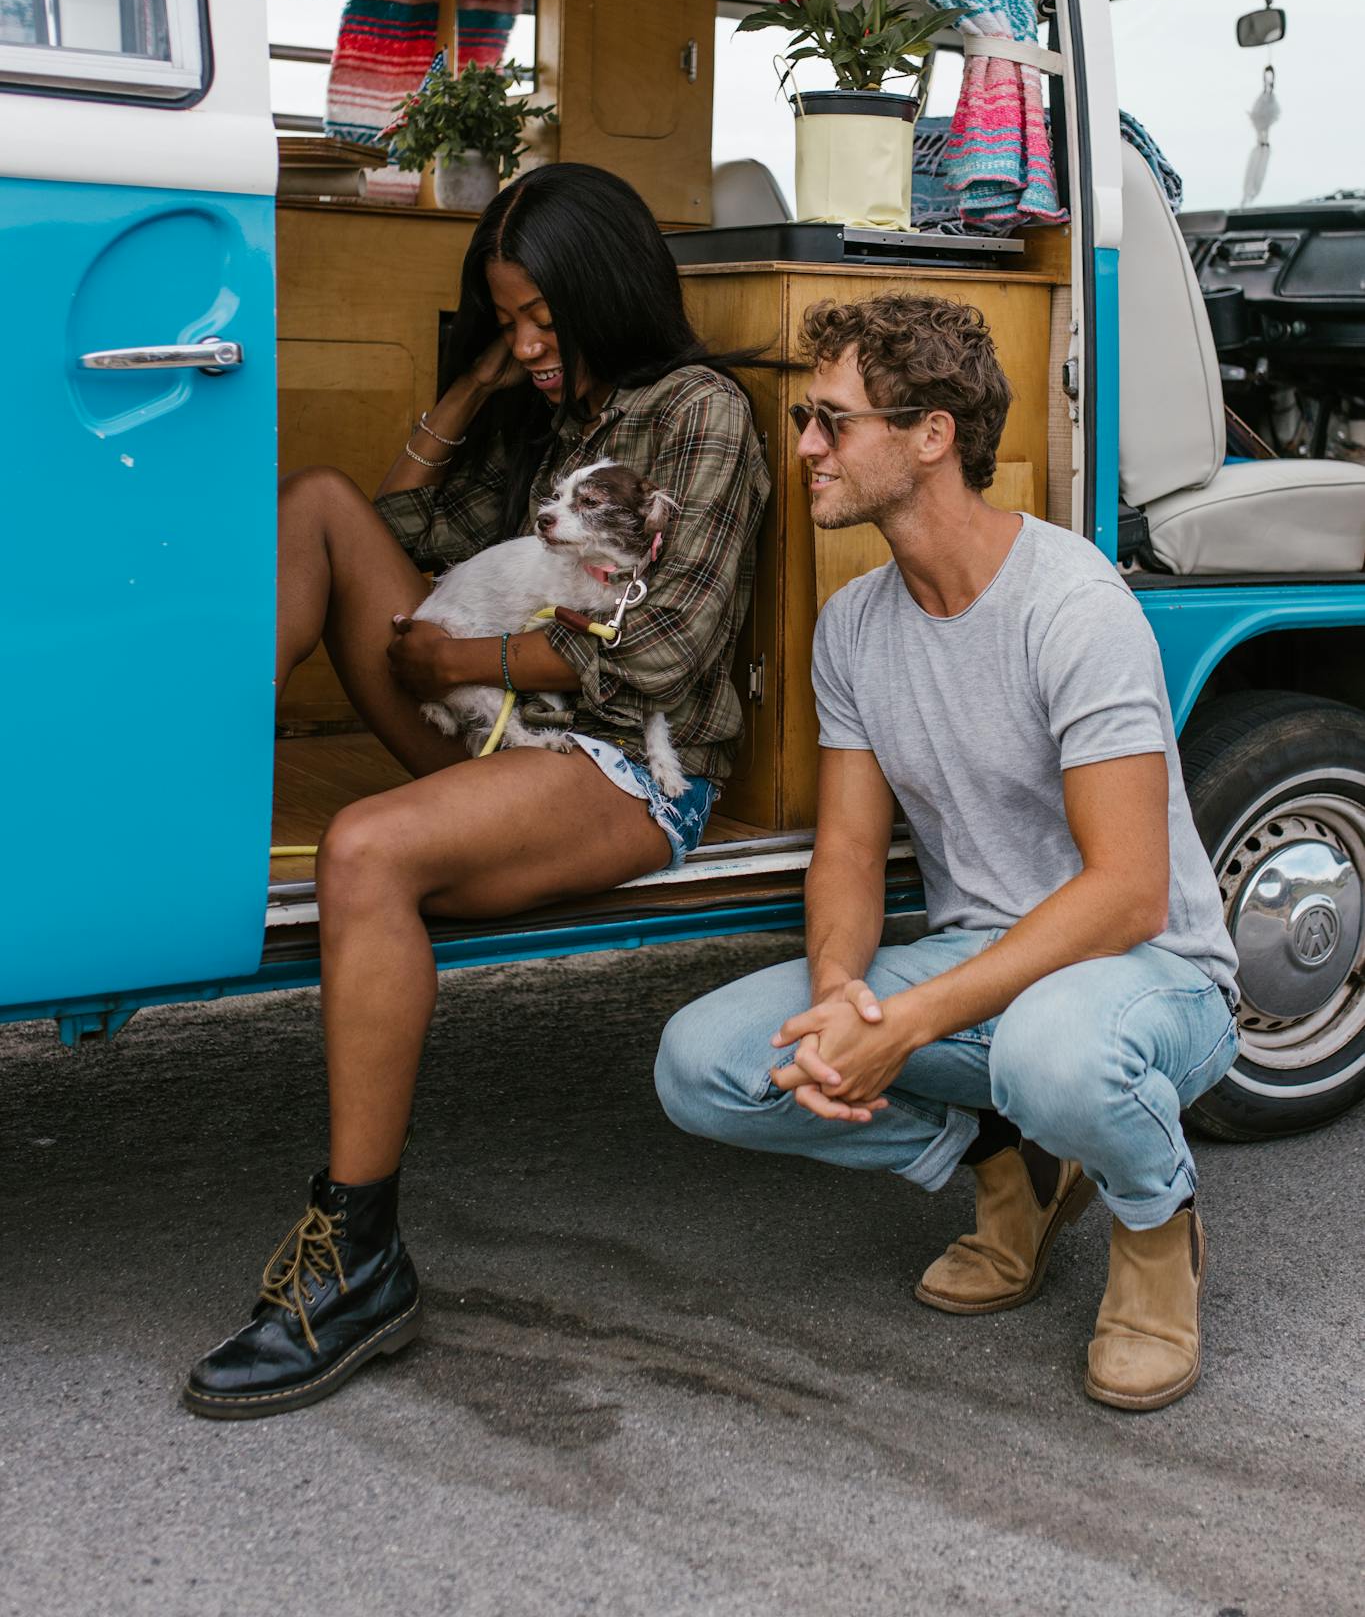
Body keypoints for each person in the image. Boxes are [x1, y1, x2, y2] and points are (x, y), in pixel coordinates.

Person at [184, 163, 770, 1419]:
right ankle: (182, 762)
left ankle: (359, 1260)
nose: (529, 342)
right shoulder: (557, 409)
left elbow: (665, 651)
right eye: (509, 318)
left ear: (608, 290)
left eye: (544, 319)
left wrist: (468, 658)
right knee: (325, 507)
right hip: (499, 730)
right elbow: (408, 523)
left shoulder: (697, 412)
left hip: (618, 764)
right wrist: (479, 388)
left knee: (363, 851)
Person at [655, 292, 1240, 1412]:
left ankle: (1157, 1226)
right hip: (986, 973)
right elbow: (848, 850)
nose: (808, 447)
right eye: (805, 420)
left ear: (932, 435)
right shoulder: (856, 624)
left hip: (1155, 976)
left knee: (1053, 1055)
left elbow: (1124, 891)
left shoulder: (1072, 603)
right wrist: (840, 998)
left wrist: (909, 1022)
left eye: (833, 422)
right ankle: (1005, 1167)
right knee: (707, 1060)